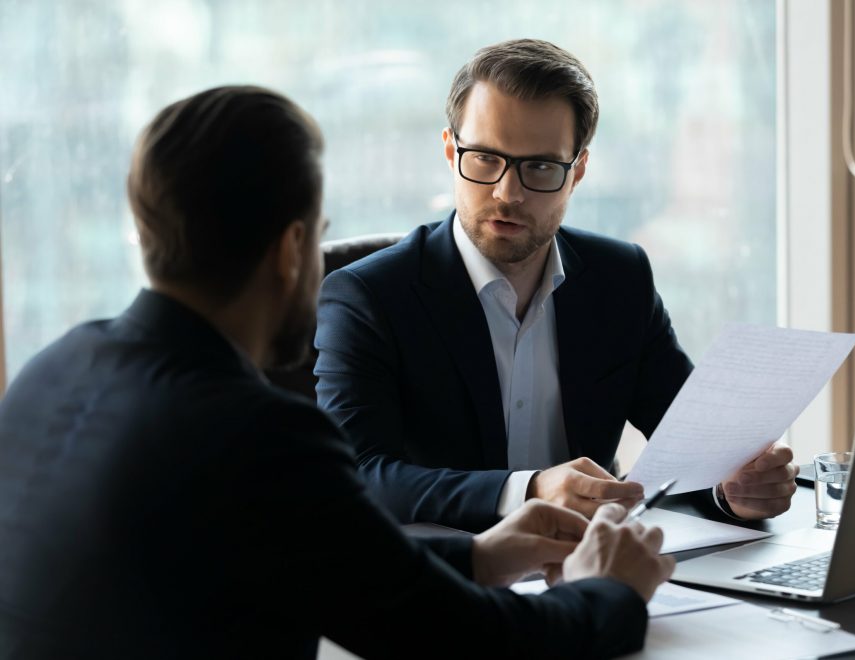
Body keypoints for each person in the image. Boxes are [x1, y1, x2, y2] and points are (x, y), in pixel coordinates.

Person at [0, 86, 675, 659]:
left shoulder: (50, 370)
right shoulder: (255, 432)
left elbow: (324, 563)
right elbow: (473, 642)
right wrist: (609, 589)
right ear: (294, 248)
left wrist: (478, 558)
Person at [315, 38, 797, 533]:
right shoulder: (368, 297)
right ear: (449, 149)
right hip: (450, 582)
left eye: (540, 167)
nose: (508, 192)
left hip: (594, 571)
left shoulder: (620, 278)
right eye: (483, 158)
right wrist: (528, 491)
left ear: (578, 171)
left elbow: (695, 447)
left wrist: (733, 489)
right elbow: (358, 475)